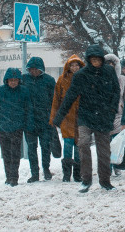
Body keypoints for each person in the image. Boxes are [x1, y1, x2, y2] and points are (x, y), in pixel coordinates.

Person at [53, 44, 120, 193]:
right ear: (89, 60)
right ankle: (86, 179)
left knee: (104, 151)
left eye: (98, 59)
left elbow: (116, 92)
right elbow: (70, 96)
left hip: (103, 116)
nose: (96, 62)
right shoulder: (80, 75)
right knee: (83, 144)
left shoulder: (109, 71)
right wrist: (59, 117)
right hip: (85, 116)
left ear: (102, 60)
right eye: (93, 60)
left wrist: (111, 110)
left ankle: (105, 181)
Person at [0, 67, 33, 187]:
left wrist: (28, 123)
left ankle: (14, 177)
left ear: (19, 81)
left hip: (17, 127)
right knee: (6, 153)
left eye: (15, 80)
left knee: (15, 153)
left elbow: (28, 109)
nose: (13, 82)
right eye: (11, 80)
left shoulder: (24, 91)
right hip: (3, 127)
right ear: (6, 80)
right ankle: (8, 176)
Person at [50, 54, 85, 183]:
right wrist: (54, 117)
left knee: (78, 146)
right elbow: (56, 99)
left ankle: (77, 173)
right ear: (68, 67)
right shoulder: (61, 80)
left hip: (81, 117)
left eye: (77, 65)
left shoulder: (85, 79)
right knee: (68, 145)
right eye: (72, 65)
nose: (75, 67)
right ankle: (66, 174)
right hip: (66, 117)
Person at [22, 56, 57, 183]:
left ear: (41, 69)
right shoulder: (23, 79)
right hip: (29, 120)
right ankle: (34, 173)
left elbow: (55, 99)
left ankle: (46, 169)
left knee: (45, 147)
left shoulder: (49, 80)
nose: (34, 71)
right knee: (31, 148)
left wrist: (53, 117)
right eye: (31, 69)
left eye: (36, 69)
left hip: (45, 120)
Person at [105, 53, 125, 177]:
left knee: (117, 143)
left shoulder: (122, 79)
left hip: (119, 114)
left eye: (112, 65)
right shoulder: (101, 79)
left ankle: (117, 164)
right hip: (104, 115)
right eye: (107, 65)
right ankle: (107, 167)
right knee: (106, 143)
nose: (110, 67)